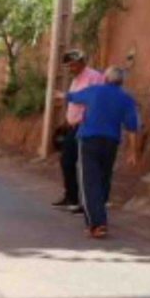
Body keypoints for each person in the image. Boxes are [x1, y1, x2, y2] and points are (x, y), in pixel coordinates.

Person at [66, 66, 141, 239]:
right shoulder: (126, 98)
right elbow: (132, 128)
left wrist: (62, 95)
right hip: (111, 143)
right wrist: (133, 152)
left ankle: (97, 224)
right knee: (103, 179)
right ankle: (99, 216)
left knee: (89, 181)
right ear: (121, 81)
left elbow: (74, 97)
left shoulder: (94, 91)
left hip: (89, 140)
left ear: (105, 78)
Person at [53, 49, 105, 213]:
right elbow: (74, 103)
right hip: (73, 127)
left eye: (72, 65)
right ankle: (71, 197)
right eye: (68, 66)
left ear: (81, 62)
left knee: (84, 165)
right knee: (67, 161)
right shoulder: (76, 79)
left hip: (85, 127)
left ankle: (85, 202)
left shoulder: (94, 77)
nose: (70, 69)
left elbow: (96, 101)